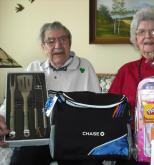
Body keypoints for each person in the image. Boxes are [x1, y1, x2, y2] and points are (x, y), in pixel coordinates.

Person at [0, 21, 102, 165]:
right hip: (38, 139)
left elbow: (96, 105)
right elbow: (12, 103)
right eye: (51, 41)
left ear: (69, 43)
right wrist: (2, 116)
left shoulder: (84, 67)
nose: (58, 46)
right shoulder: (34, 67)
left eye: (63, 39)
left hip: (74, 139)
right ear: (43, 47)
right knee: (20, 160)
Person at [108, 7, 154, 165]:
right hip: (131, 143)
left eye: (153, 31)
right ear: (135, 38)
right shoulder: (126, 70)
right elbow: (110, 109)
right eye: (141, 31)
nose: (147, 36)